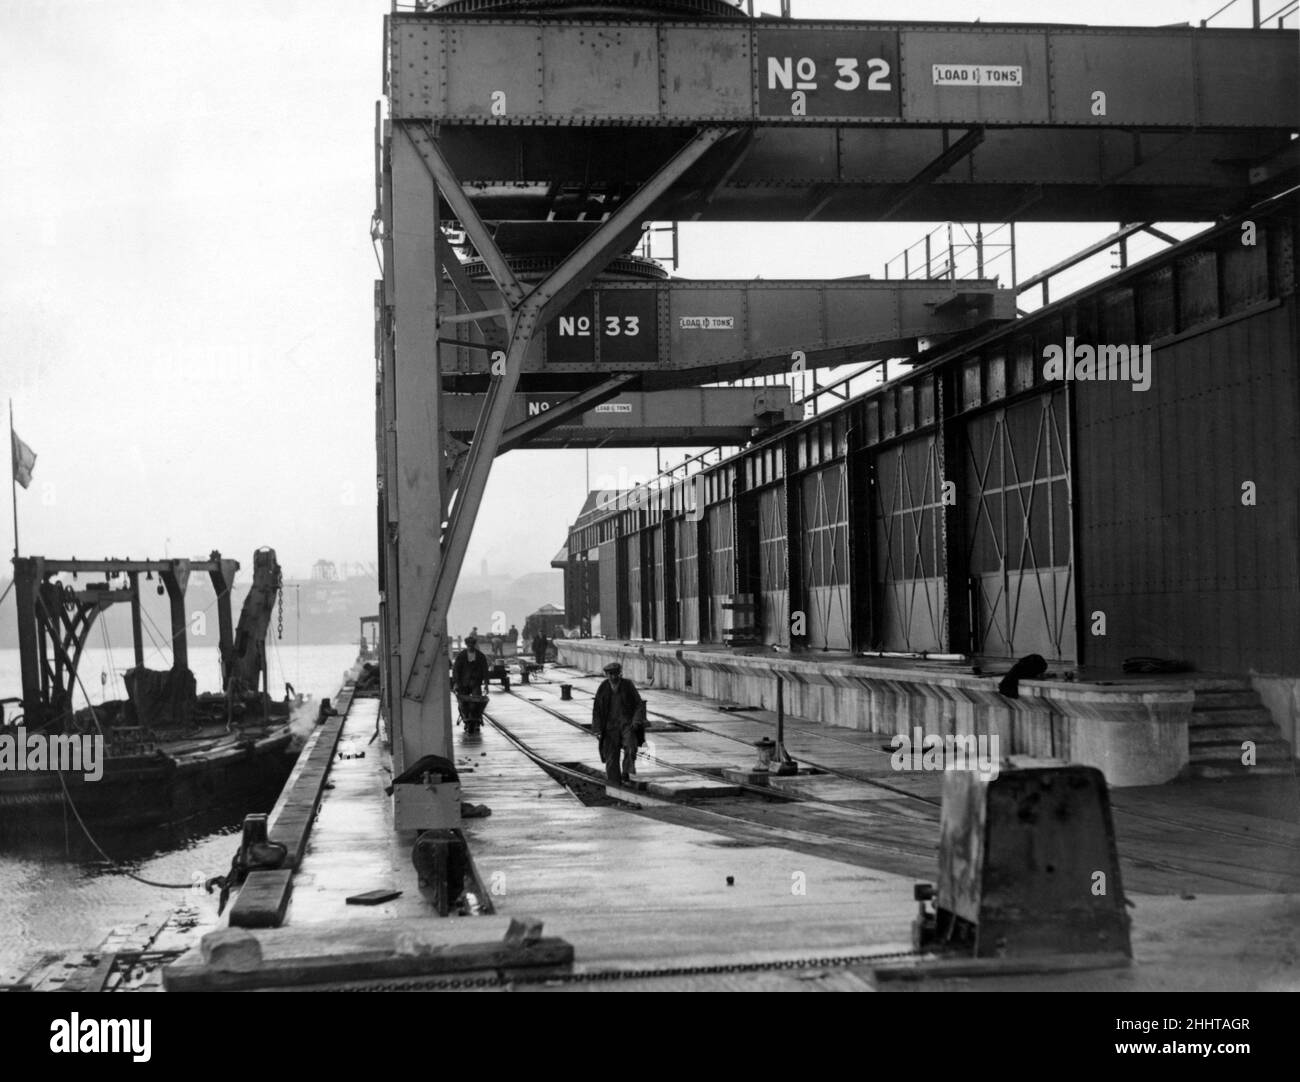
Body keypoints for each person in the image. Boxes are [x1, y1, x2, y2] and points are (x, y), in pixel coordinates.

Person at [591, 661, 646, 786]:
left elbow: (639, 704)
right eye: (610, 674)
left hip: (626, 724)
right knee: (611, 755)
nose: (613, 677)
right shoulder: (603, 687)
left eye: (616, 674)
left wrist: (636, 720)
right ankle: (614, 783)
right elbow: (597, 709)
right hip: (610, 727)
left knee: (631, 747)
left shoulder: (627, 685)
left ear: (619, 674)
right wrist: (597, 729)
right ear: (606, 675)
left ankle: (626, 772)